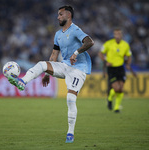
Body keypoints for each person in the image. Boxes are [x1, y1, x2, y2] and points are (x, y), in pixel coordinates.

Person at [8, 5, 94, 143]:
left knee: (71, 99)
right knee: (42, 64)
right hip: (65, 65)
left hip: (79, 69)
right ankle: (22, 82)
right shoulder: (58, 34)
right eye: (58, 14)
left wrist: (76, 53)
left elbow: (90, 42)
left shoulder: (76, 30)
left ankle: (70, 133)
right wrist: (47, 73)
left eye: (60, 14)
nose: (58, 17)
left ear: (68, 16)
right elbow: (54, 54)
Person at [98, 28, 136, 113]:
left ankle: (116, 107)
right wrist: (105, 61)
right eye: (116, 34)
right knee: (116, 88)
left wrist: (128, 64)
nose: (117, 35)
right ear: (114, 35)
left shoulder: (125, 45)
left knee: (121, 89)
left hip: (120, 68)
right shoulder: (108, 44)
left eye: (119, 34)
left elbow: (129, 55)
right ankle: (110, 98)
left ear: (121, 35)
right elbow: (100, 53)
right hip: (111, 69)